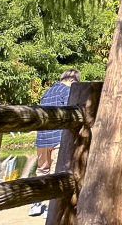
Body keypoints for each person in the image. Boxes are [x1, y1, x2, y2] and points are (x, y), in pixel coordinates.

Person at [29, 70, 80, 217]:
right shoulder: (67, 92)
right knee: (55, 171)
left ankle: (35, 205)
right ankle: (51, 207)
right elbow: (69, 114)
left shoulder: (47, 92)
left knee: (41, 171)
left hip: (42, 138)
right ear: (73, 80)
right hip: (59, 137)